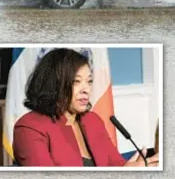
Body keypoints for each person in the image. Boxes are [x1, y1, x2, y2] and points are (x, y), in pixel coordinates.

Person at [13, 48, 159, 167]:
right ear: (54, 84)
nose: (86, 89)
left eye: (89, 81)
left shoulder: (92, 120)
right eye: (76, 82)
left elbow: (115, 164)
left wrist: (131, 169)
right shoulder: (29, 128)